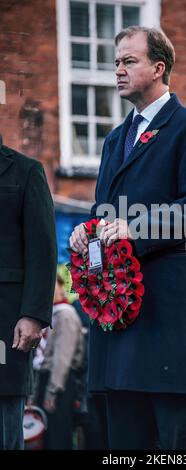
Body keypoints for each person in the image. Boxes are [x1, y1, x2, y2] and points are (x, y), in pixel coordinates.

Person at [70, 26, 186, 450]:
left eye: (128, 61)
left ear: (159, 68)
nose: (117, 70)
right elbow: (105, 212)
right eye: (116, 61)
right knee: (124, 440)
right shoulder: (115, 138)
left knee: (172, 443)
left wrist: (136, 228)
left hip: (164, 312)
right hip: (116, 312)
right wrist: (89, 230)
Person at [0, 136, 57, 450]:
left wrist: (34, 314)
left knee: (4, 430)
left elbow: (43, 249)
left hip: (5, 324)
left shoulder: (25, 171)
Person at [35, 275, 85, 450]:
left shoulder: (65, 314)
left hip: (59, 383)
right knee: (48, 437)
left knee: (58, 436)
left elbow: (63, 358)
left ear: (62, 287)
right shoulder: (48, 316)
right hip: (45, 379)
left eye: (54, 285)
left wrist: (52, 391)